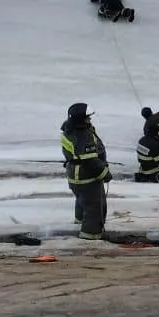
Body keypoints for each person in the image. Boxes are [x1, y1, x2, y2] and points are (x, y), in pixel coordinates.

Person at [60, 102, 111, 239]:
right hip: (86, 177)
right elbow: (90, 161)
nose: (89, 120)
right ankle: (90, 237)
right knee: (94, 207)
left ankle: (79, 224)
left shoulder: (69, 129)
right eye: (87, 118)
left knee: (82, 201)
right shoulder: (82, 135)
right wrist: (104, 173)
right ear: (79, 119)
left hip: (75, 176)